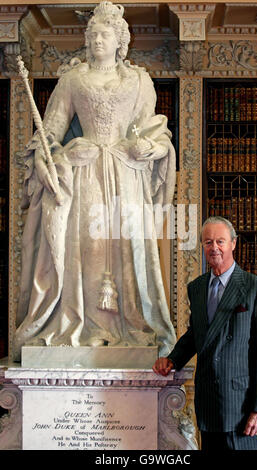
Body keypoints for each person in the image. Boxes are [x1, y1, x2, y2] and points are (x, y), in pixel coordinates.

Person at [13, 1, 177, 361]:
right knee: (85, 246)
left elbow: (150, 131)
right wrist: (61, 155)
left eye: (104, 34)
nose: (96, 40)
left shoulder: (139, 81)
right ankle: (81, 324)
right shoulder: (73, 80)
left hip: (126, 174)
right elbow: (49, 134)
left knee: (126, 246)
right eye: (92, 35)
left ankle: (128, 325)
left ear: (120, 40)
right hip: (85, 170)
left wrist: (147, 148)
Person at [153, 216, 257, 451]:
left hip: (242, 407)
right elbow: (196, 334)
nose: (214, 248)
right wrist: (172, 359)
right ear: (202, 247)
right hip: (208, 403)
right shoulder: (197, 288)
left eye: (220, 241)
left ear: (233, 243)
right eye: (208, 242)